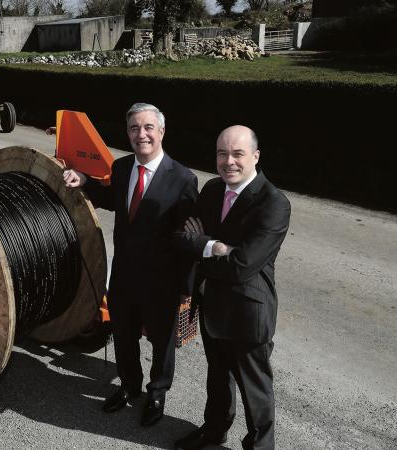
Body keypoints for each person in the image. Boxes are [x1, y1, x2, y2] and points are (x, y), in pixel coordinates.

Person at [63, 103, 198, 426]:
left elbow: (190, 241)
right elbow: (112, 200)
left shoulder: (183, 179)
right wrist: (83, 179)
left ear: (162, 132)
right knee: (123, 336)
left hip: (161, 281)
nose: (142, 135)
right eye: (135, 128)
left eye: (149, 127)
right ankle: (129, 387)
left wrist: (186, 289)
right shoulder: (122, 168)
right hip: (123, 276)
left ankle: (157, 392)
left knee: (162, 342)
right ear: (128, 134)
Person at [175, 125, 291, 450]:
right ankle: (213, 432)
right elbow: (185, 238)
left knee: (256, 392)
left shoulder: (274, 204)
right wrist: (215, 247)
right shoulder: (212, 190)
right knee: (217, 380)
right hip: (212, 305)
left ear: (255, 156)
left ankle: (259, 446)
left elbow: (241, 267)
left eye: (238, 153)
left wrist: (203, 246)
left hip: (247, 314)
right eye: (222, 153)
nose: (229, 161)